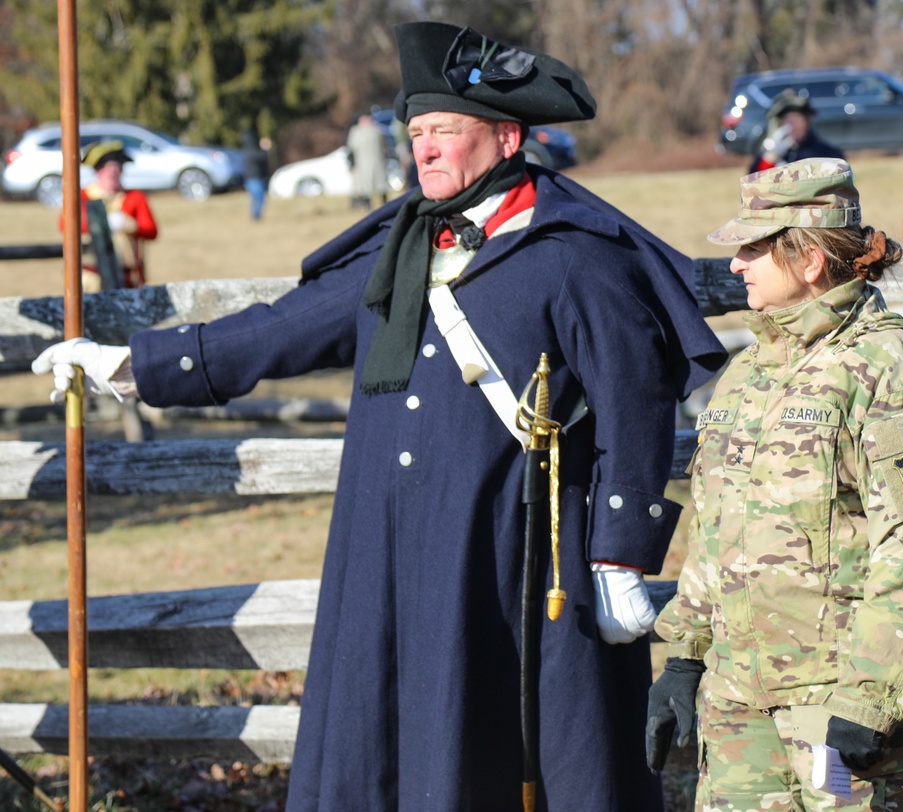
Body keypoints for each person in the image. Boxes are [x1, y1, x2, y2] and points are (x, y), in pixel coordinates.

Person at [32, 21, 727, 812]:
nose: (424, 148)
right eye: (418, 132)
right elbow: (279, 329)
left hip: (512, 552)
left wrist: (621, 556)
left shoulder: (573, 253)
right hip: (385, 549)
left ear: (505, 138)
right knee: (384, 744)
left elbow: (636, 403)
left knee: (521, 749)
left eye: (445, 132)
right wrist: (133, 363)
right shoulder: (401, 247)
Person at [646, 158, 903, 812]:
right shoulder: (746, 375)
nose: (736, 264)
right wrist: (685, 655)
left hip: (835, 717)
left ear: (809, 259)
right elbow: (715, 527)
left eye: (753, 246)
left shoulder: (890, 369)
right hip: (740, 706)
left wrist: (869, 696)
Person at [66, 140, 158, 291]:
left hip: (127, 274)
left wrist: (131, 225)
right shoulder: (82, 197)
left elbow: (151, 230)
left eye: (116, 170)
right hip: (90, 273)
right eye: (106, 170)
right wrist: (99, 223)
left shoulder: (135, 197)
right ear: (98, 171)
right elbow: (65, 225)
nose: (112, 174)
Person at [749, 90, 845, 174]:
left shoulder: (828, 155)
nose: (791, 124)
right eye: (786, 119)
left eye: (796, 117)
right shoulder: (770, 154)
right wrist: (771, 157)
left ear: (807, 121)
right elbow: (754, 187)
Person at [345, 112, 390, 210]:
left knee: (365, 185)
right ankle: (383, 204)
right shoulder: (378, 130)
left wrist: (351, 163)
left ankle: (367, 205)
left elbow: (351, 148)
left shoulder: (356, 132)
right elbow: (384, 147)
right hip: (375, 162)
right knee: (379, 184)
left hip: (363, 163)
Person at [242, 130, 271, 221]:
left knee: (255, 198)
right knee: (259, 197)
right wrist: (265, 148)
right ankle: (256, 216)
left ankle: (255, 215)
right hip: (256, 178)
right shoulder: (253, 151)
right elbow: (262, 157)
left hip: (250, 179)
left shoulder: (246, 151)